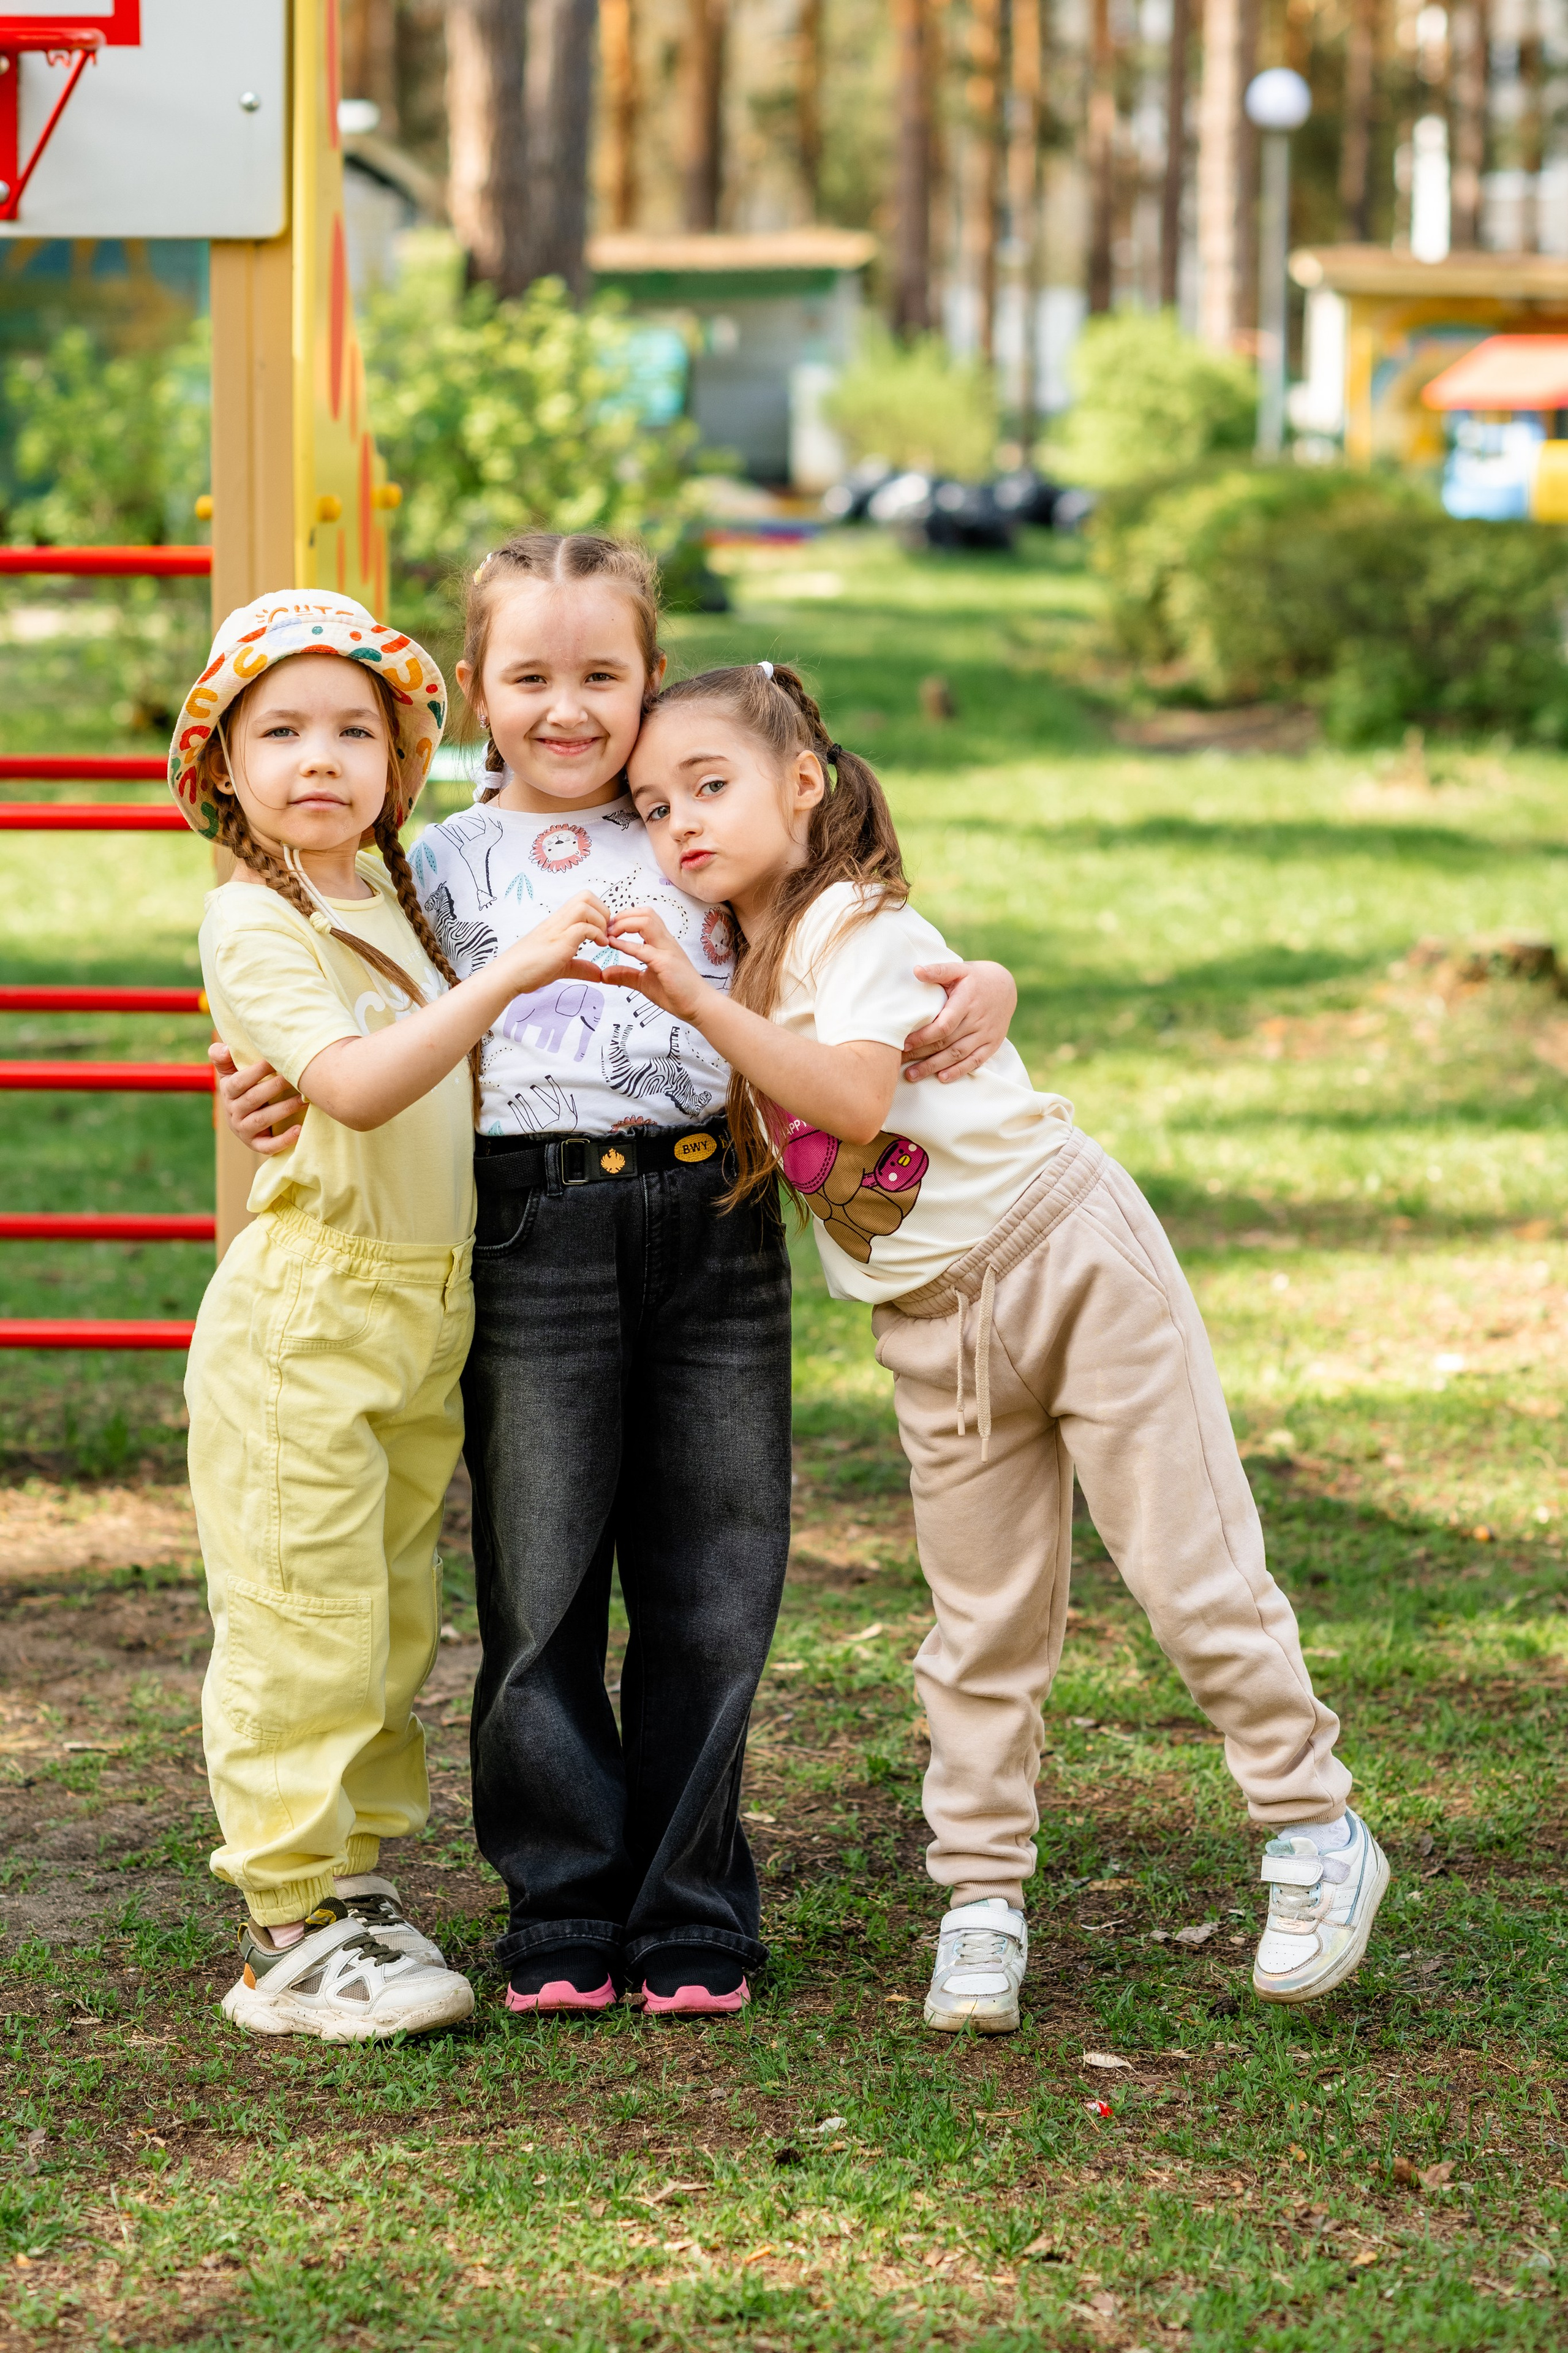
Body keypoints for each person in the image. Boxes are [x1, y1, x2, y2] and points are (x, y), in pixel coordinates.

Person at [213, 535, 1020, 2019]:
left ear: (653, 682)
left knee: (714, 1575)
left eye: (603, 675)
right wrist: (260, 1083)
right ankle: (564, 1900)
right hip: (531, 1233)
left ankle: (691, 1903)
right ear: (477, 690)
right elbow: (342, 1014)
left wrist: (987, 981)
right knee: (542, 1585)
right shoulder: (427, 866)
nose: (568, 709)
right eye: (531, 677)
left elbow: (859, 933)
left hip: (714, 1213)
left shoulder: (699, 831)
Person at [601, 657, 1391, 2034]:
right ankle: (980, 1898)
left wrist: (705, 1004)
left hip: (1068, 1258)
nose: (681, 824)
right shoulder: (726, 951)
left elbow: (854, 1100)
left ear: (803, 782)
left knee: (1190, 1572)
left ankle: (1313, 1827)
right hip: (929, 1324)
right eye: (656, 806)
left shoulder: (850, 921)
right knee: (976, 1629)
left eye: (710, 786)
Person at [172, 589, 614, 2041]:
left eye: (354, 732)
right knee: (300, 1613)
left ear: (403, 760)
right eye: (279, 732)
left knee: (385, 1619)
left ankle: (351, 1883)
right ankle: (286, 1925)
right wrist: (515, 973)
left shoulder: (392, 895)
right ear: (221, 766)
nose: (320, 758)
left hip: (426, 1307)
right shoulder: (252, 915)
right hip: (312, 1313)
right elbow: (358, 1086)